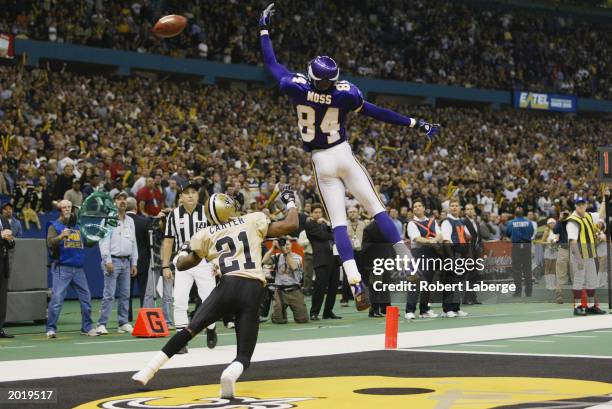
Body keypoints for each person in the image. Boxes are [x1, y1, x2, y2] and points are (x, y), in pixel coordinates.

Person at [258, 3, 439, 300]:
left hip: (320, 160)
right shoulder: (345, 93)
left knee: (339, 224)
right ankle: (407, 262)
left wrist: (264, 29)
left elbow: (272, 64)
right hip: (343, 153)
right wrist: (415, 123)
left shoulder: (296, 87)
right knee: (377, 208)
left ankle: (354, 280)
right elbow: (376, 112)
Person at [132, 187, 299, 399]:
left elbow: (184, 265)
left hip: (227, 286)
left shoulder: (205, 233)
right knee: (244, 354)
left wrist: (184, 251)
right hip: (254, 288)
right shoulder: (252, 219)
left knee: (189, 331)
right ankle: (230, 373)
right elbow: (291, 224)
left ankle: (148, 370)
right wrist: (290, 202)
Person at [162, 180, 217, 353]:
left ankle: (211, 328)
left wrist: (217, 262)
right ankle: (180, 341)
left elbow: (216, 238)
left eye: (194, 192)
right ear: (181, 197)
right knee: (179, 299)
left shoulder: (207, 212)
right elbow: (169, 240)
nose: (191, 195)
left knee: (210, 300)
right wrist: (165, 265)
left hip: (204, 260)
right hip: (182, 260)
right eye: (187, 193)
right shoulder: (173, 215)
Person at [45, 200, 98, 338]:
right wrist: (61, 236)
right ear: (60, 210)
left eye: (70, 207)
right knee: (57, 299)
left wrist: (98, 235)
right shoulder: (54, 226)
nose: (68, 209)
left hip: (79, 269)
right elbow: (50, 243)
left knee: (86, 299)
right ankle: (51, 328)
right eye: (65, 207)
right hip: (62, 268)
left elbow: (89, 243)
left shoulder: (79, 227)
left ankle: (86, 328)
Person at [96, 191, 138, 335]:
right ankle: (101, 324)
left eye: (124, 199)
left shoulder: (130, 221)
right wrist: (107, 260)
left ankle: (123, 322)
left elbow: (134, 243)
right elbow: (103, 242)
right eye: (119, 199)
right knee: (109, 294)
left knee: (125, 294)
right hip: (112, 260)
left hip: (126, 261)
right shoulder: (107, 220)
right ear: (114, 202)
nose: (122, 201)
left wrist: (134, 262)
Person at [566, 197, 606, 315]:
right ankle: (577, 306)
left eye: (583, 204)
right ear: (575, 206)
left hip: (590, 254)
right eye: (579, 204)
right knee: (579, 280)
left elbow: (601, 214)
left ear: (586, 204)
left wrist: (604, 198)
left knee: (591, 281)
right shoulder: (573, 220)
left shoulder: (588, 216)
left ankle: (591, 306)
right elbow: (572, 241)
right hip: (579, 255)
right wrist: (579, 259)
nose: (581, 206)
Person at [405, 199, 441, 319]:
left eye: (419, 206)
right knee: (415, 282)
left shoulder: (432, 221)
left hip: (431, 253)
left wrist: (435, 240)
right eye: (415, 207)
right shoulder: (411, 223)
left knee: (428, 283)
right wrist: (431, 241)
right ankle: (409, 310)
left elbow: (440, 235)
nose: (417, 208)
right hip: (418, 253)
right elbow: (417, 238)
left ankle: (424, 310)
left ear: (424, 208)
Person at [306, 204, 341, 320]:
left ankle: (328, 311)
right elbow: (321, 236)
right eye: (315, 212)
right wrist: (329, 233)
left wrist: (327, 224)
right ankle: (314, 312)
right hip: (321, 259)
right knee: (320, 287)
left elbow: (336, 235)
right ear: (311, 213)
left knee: (333, 288)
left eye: (319, 212)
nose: (318, 214)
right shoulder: (310, 224)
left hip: (334, 259)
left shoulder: (325, 224)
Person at [262, 237, 308, 324]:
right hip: (280, 291)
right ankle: (277, 313)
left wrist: (285, 252)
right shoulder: (277, 256)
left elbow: (293, 266)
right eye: (284, 245)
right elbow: (264, 261)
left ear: (291, 245)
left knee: (302, 320)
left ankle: (283, 311)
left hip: (294, 290)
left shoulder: (297, 257)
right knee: (279, 321)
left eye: (287, 245)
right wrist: (272, 248)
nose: (285, 246)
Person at [440, 200, 470, 317]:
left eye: (456, 206)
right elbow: (446, 241)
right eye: (452, 206)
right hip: (451, 253)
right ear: (449, 208)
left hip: (460, 253)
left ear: (460, 208)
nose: (454, 208)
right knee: (449, 282)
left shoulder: (460, 221)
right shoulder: (447, 222)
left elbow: (466, 237)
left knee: (458, 282)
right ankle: (447, 309)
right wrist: (451, 259)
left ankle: (456, 307)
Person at [126, 197, 151, 322]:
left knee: (127, 291)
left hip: (127, 260)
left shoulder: (122, 222)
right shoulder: (143, 221)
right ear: (136, 207)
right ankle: (144, 317)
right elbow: (148, 243)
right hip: (143, 260)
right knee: (143, 291)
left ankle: (127, 317)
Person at [506, 206, 534, 297]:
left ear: (515, 214)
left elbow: (508, 233)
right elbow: (531, 233)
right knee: (527, 269)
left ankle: (518, 292)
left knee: (516, 270)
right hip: (526, 246)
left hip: (516, 246)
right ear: (523, 213)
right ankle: (528, 292)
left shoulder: (511, 223)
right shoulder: (529, 222)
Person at [462, 203, 483, 305]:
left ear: (474, 211)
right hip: (467, 252)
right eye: (467, 209)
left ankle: (473, 298)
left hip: (475, 252)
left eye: (471, 209)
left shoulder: (476, 222)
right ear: (465, 211)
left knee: (474, 275)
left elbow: (479, 237)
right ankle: (466, 299)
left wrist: (480, 246)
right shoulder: (463, 222)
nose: (470, 211)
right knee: (467, 275)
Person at [0, 210, 15, 338]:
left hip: (3, 265)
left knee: (2, 300)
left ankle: (0, 328)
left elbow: (11, 243)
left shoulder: (3, 219)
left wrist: (10, 239)